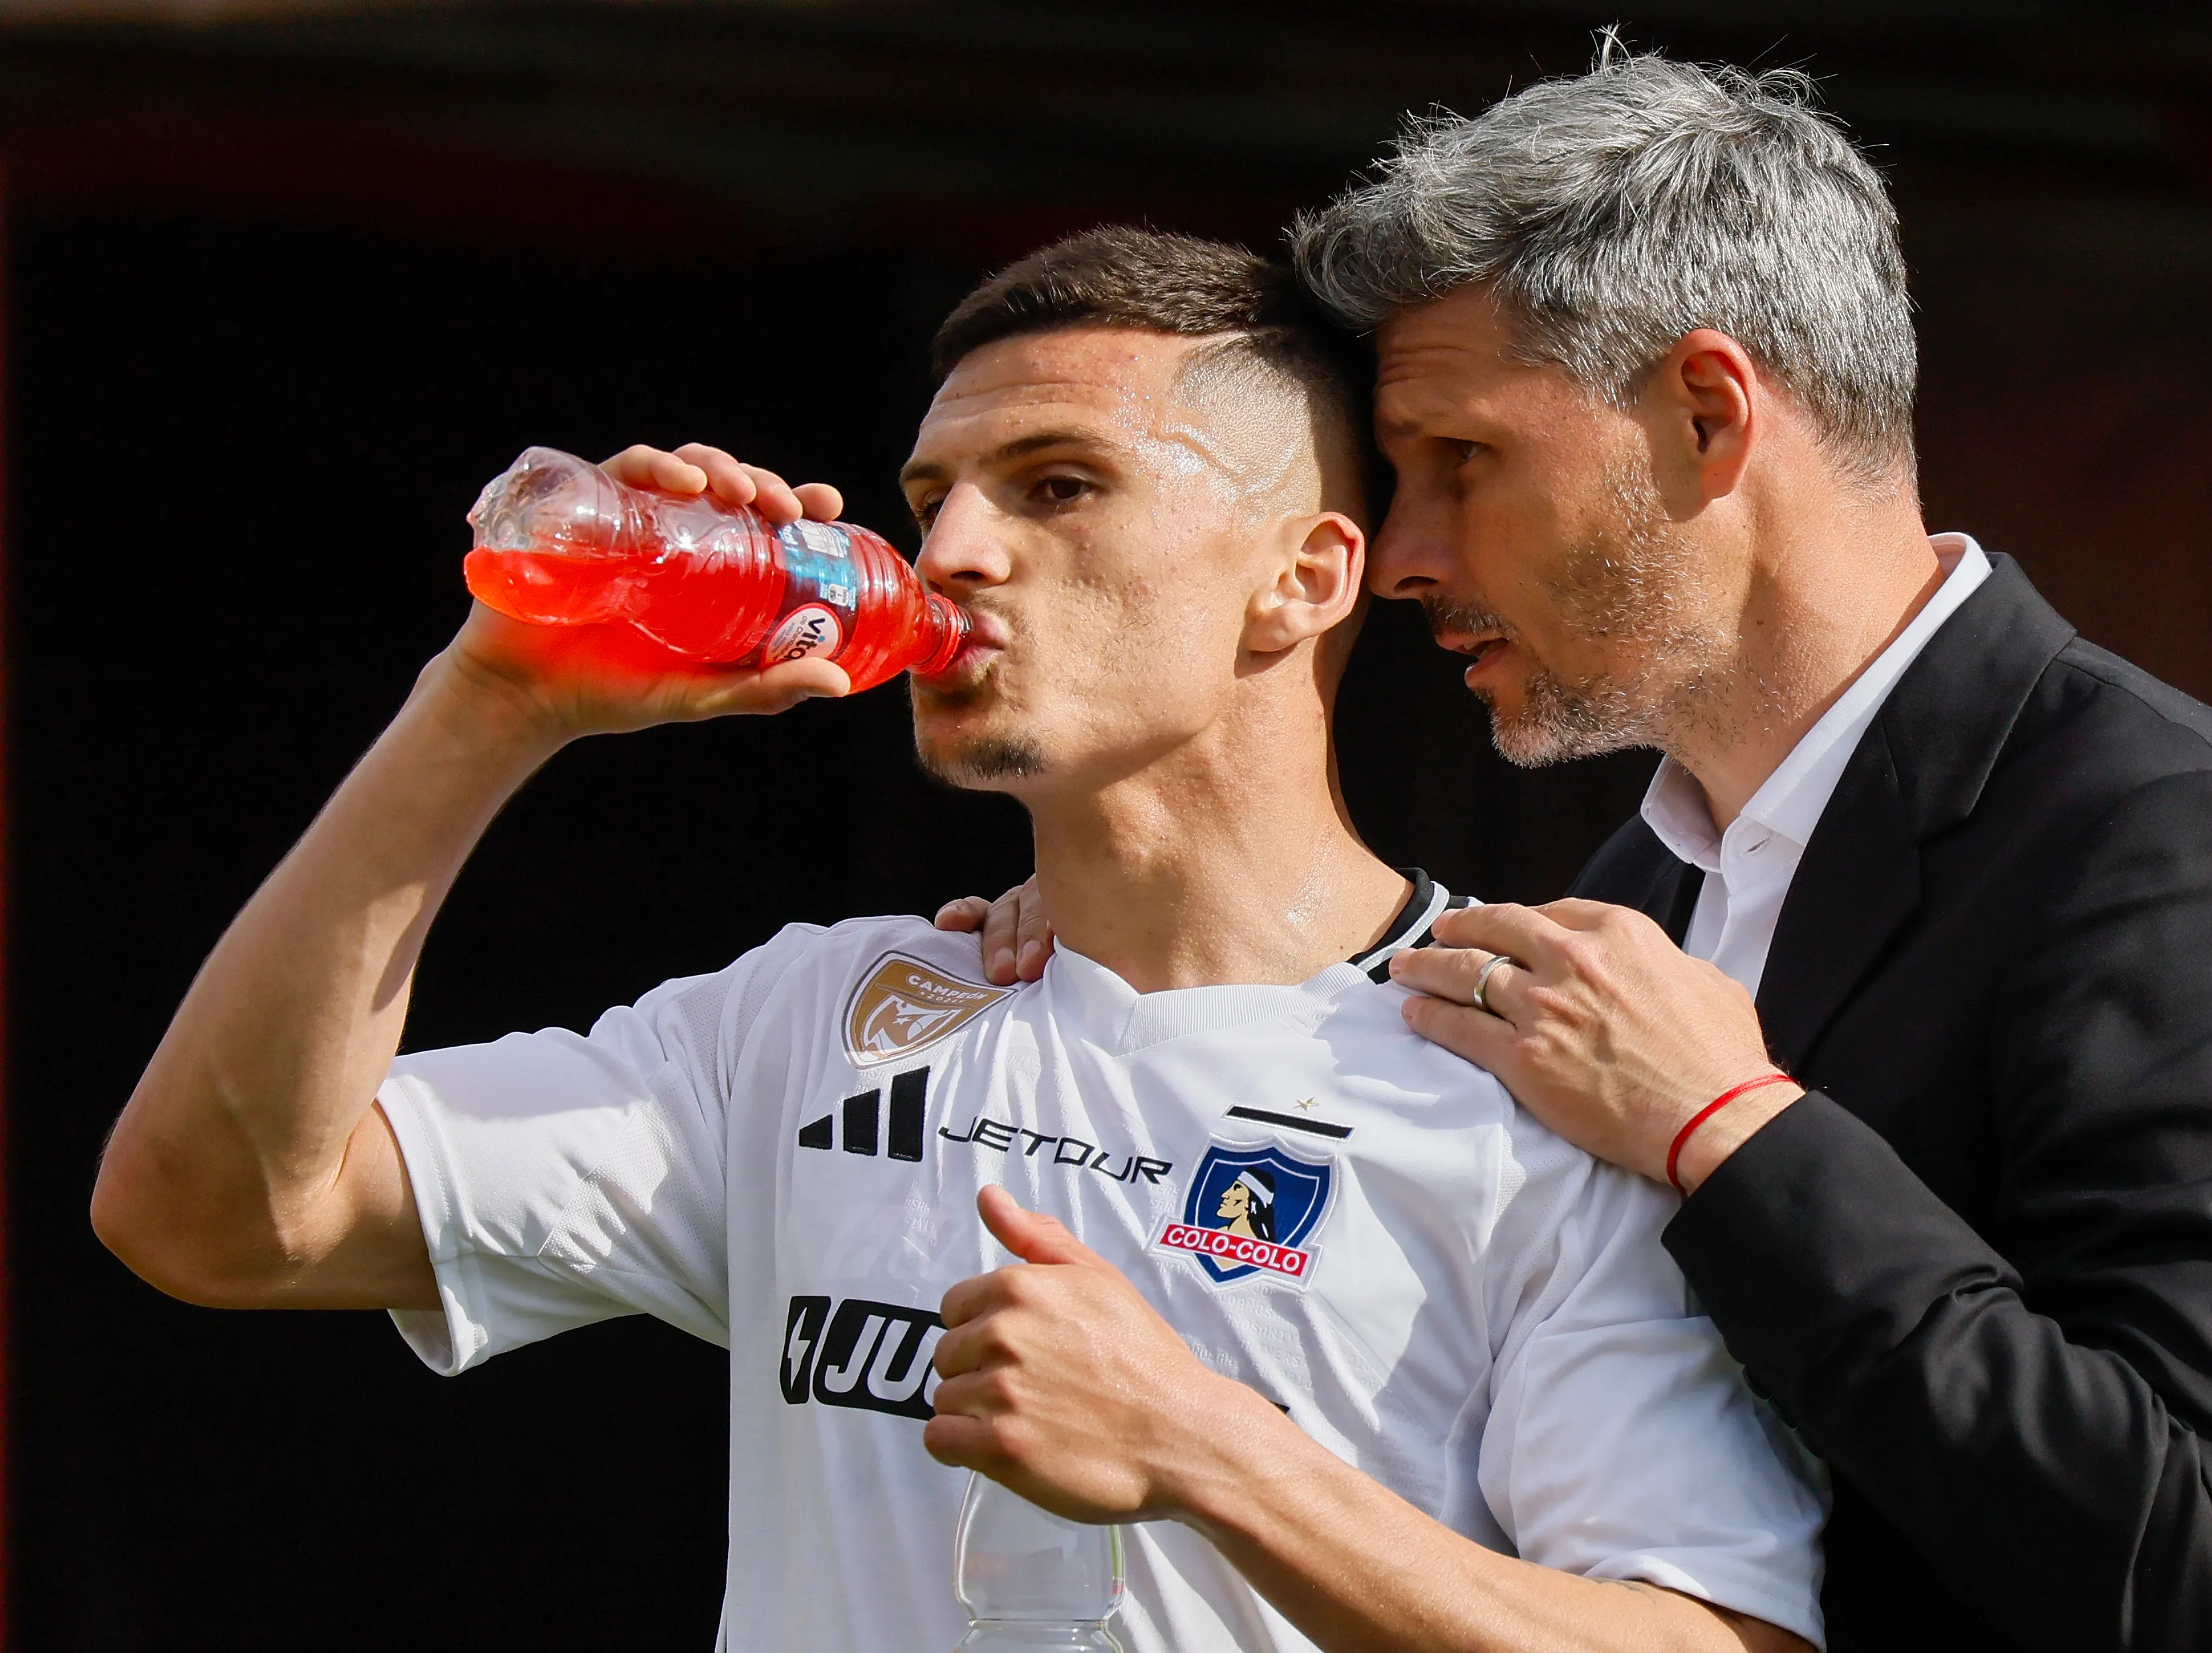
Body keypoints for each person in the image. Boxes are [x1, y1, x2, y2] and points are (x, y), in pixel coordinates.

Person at [90, 228, 1825, 1653]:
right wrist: (485, 708)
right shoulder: (827, 1018)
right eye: (937, 492)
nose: (958, 547)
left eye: (1059, 484)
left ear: (1299, 578)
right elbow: (212, 1214)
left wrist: (1212, 1450)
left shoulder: (1544, 1066)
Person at [955, 51, 2212, 1653]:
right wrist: (1123, 927)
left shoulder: (2161, 833)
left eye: (1459, 462)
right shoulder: (1624, 902)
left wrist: (1734, 1133)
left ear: (1706, 415)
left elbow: (2175, 1558)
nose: (1406, 557)